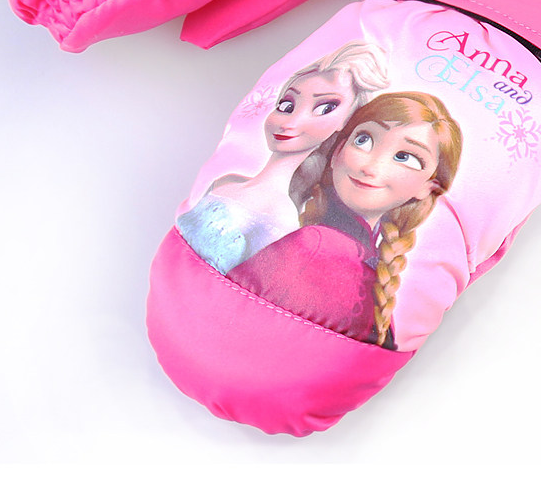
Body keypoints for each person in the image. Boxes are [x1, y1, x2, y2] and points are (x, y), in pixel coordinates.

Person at [227, 92, 463, 349]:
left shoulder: (368, 261)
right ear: (337, 152)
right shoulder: (317, 244)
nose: (371, 167)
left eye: (405, 157)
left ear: (429, 187)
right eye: (364, 140)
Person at [177, 42, 389, 274]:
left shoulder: (281, 217)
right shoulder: (225, 181)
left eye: (324, 109)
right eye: (286, 105)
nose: (290, 122)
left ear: (345, 123)